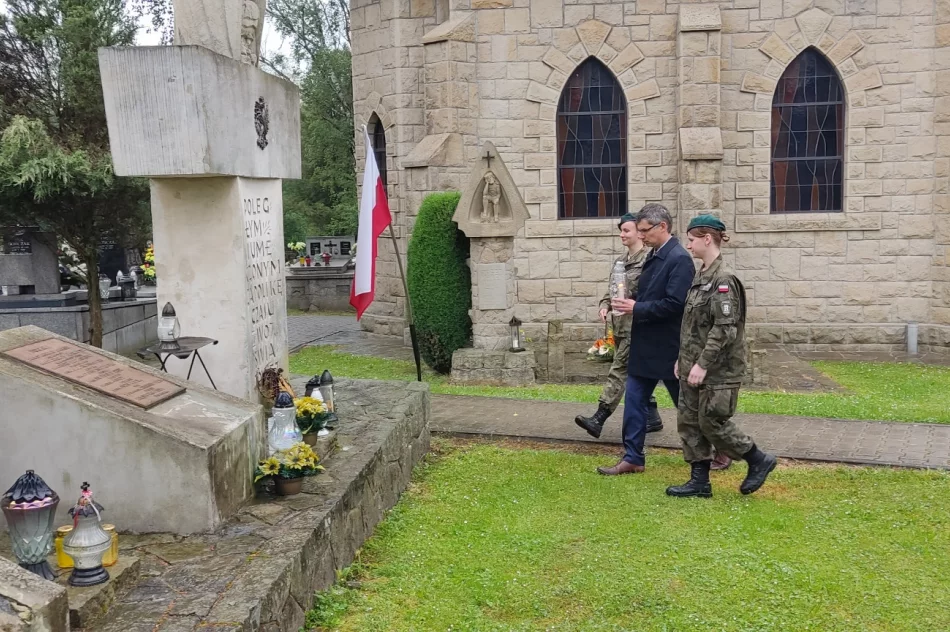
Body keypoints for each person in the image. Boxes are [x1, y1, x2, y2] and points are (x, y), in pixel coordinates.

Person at [666, 215, 777, 497]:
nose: (688, 244)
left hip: (719, 369)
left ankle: (757, 459)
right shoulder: (700, 275)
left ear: (707, 238)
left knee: (711, 421)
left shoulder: (723, 279)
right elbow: (692, 327)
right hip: (694, 365)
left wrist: (703, 364)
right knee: (689, 422)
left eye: (691, 239)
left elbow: (724, 329)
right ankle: (699, 482)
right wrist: (684, 359)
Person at [596, 203, 695, 475]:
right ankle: (633, 457)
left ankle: (715, 450)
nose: (641, 235)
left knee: (687, 407)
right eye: (638, 230)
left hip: (668, 347)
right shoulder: (654, 254)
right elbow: (644, 292)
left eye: (645, 230)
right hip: (644, 344)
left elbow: (676, 304)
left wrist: (636, 308)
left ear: (662, 226)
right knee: (635, 401)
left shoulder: (679, 259)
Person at [574, 214, 663, 439]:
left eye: (627, 230)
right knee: (638, 373)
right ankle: (652, 417)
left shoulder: (649, 260)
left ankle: (599, 417)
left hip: (638, 326)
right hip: (621, 326)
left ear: (639, 233)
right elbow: (613, 289)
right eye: (621, 231)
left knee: (620, 370)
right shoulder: (620, 262)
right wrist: (605, 305)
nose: (622, 235)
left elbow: (652, 293)